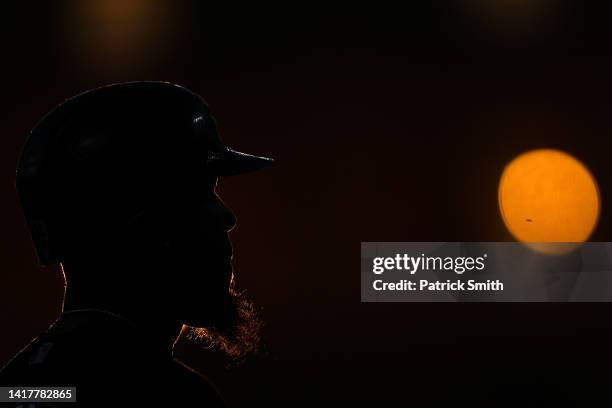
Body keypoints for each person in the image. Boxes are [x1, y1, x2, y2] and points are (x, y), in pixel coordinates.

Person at [0, 81, 273, 406]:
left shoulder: (16, 385)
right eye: (198, 194)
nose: (226, 217)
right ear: (137, 221)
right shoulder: (166, 396)